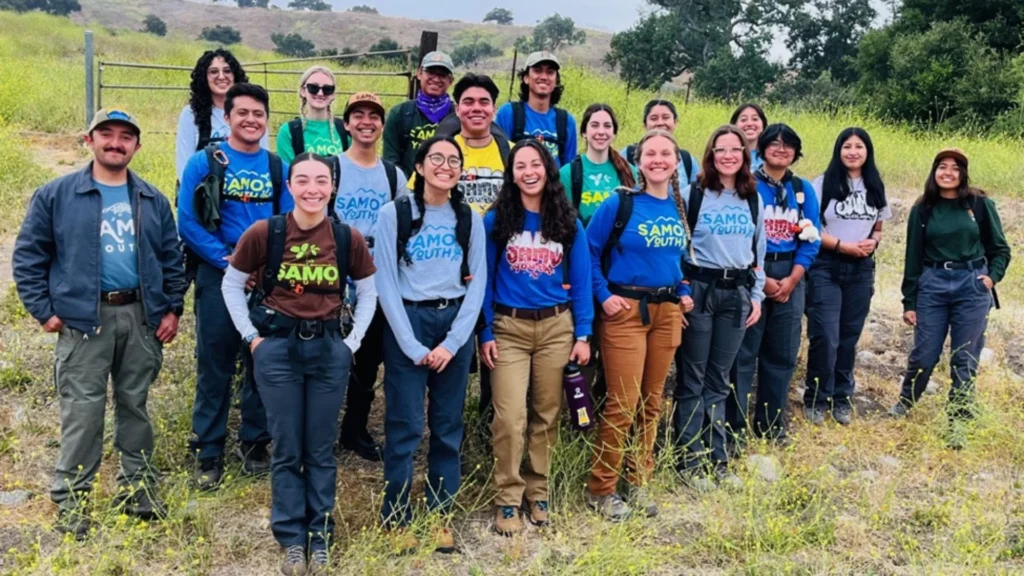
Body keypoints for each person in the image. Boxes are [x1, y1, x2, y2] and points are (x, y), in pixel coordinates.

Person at [13, 110, 186, 539]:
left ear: (137, 147)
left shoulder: (151, 198)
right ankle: (73, 501)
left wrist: (171, 309)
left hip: (139, 317)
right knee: (83, 412)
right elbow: (29, 256)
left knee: (135, 407)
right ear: (88, 141)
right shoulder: (57, 195)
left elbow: (172, 258)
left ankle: (138, 492)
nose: (115, 143)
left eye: (125, 137)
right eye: (106, 134)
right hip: (83, 320)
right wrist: (44, 309)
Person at [222, 153, 377, 576]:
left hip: (329, 350)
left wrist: (352, 342)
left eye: (321, 180)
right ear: (289, 186)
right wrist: (251, 339)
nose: (312, 189)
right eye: (303, 180)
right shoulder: (266, 232)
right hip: (277, 350)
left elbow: (368, 292)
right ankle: (292, 538)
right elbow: (231, 284)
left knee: (321, 447)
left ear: (332, 187)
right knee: (288, 446)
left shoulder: (347, 238)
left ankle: (320, 534)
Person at [178, 83, 293, 491]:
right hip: (218, 274)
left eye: (258, 114)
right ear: (227, 117)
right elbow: (188, 222)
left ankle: (254, 443)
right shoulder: (205, 161)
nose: (250, 120)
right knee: (216, 364)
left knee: (261, 362)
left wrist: (267, 265)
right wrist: (227, 261)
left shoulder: (277, 167)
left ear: (266, 120)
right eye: (241, 112)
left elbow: (287, 222)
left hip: (265, 281)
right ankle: (208, 449)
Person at [374, 136, 486, 552]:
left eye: (454, 160)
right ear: (419, 167)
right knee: (404, 426)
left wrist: (455, 341)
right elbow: (384, 279)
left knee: (447, 426)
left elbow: (478, 282)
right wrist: (410, 343)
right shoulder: (394, 214)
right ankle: (396, 517)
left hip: (453, 321)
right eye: (436, 158)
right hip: (409, 319)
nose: (445, 165)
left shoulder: (468, 217)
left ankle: (441, 514)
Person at [479, 140, 593, 536]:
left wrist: (584, 332)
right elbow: (485, 281)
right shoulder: (496, 221)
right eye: (519, 165)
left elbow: (580, 281)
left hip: (556, 329)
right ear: (511, 174)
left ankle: (537, 490)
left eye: (536, 164)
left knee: (547, 413)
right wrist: (485, 331)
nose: (528, 171)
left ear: (548, 169)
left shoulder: (567, 221)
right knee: (510, 417)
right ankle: (508, 497)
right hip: (508, 328)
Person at [583, 130, 693, 521]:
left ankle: (637, 479)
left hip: (666, 314)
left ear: (676, 162)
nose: (658, 159)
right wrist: (602, 295)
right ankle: (602, 487)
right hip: (626, 312)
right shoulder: (621, 203)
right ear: (638, 161)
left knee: (652, 403)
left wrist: (682, 288)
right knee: (622, 403)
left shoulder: (679, 207)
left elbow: (677, 260)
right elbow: (589, 252)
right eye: (650, 153)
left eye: (666, 153)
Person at [892, 148, 1011, 449]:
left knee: (965, 356)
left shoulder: (979, 204)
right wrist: (910, 300)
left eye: (955, 168)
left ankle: (958, 419)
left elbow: (1000, 249)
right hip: (933, 283)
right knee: (924, 354)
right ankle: (906, 401)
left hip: (971, 284)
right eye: (942, 167)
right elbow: (913, 257)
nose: (948, 172)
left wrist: (990, 278)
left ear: (963, 173)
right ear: (934, 172)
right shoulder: (923, 208)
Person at [671, 125, 765, 490]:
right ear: (710, 154)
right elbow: (677, 247)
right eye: (720, 149)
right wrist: (681, 292)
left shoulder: (753, 197)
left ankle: (718, 459)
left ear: (745, 154)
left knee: (720, 379)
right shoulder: (693, 195)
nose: (728, 155)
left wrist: (756, 296)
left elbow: (760, 254)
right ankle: (689, 460)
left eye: (735, 149)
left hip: (736, 294)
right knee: (693, 376)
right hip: (701, 290)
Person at [727, 124, 821, 447]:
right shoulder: (748, 184)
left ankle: (771, 426)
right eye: (775, 144)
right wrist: (761, 280)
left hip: (790, 274)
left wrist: (794, 278)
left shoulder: (802, 188)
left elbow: (813, 238)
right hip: (753, 273)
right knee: (742, 354)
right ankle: (734, 428)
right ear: (762, 148)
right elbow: (740, 235)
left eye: (788, 146)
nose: (781, 150)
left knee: (782, 354)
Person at [332, 92, 408, 461]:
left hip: (377, 282)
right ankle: (319, 427)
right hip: (331, 282)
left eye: (374, 116)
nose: (366, 121)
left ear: (381, 125)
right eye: (358, 115)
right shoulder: (330, 169)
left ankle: (354, 429)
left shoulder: (394, 175)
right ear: (346, 124)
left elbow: (406, 232)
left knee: (367, 360)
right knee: (328, 357)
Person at [803, 128, 891, 426]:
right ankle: (815, 397)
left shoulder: (875, 185)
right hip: (826, 265)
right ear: (838, 150)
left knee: (848, 336)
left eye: (859, 146)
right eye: (847, 146)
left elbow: (878, 227)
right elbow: (812, 228)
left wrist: (873, 242)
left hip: (861, 268)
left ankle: (842, 397)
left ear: (868, 151)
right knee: (825, 335)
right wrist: (842, 246)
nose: (853, 152)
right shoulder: (822, 184)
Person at [176, 49, 268, 181]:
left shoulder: (253, 113)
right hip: (205, 192)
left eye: (227, 71)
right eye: (213, 72)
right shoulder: (190, 114)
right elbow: (184, 164)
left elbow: (262, 157)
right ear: (204, 77)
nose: (221, 76)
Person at [495, 51, 578, 167]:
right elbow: (498, 160)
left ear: (556, 81)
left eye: (550, 72)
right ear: (526, 78)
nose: (544, 77)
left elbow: (569, 169)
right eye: (537, 70)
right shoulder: (508, 114)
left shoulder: (566, 121)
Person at [559, 103, 636, 225]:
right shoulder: (567, 174)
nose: (601, 132)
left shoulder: (631, 172)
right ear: (584, 132)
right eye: (595, 125)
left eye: (607, 126)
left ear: (614, 133)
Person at [383, 51, 455, 176]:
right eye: (431, 72)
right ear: (419, 73)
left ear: (451, 80)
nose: (436, 79)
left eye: (442, 74)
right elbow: (391, 161)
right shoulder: (399, 114)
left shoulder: (459, 116)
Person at [276, 66, 349, 164]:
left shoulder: (346, 129)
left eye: (327, 89)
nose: (320, 93)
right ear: (303, 91)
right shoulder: (288, 132)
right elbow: (288, 172)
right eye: (313, 88)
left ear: (333, 95)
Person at [621, 99, 700, 184]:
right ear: (645, 124)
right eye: (654, 118)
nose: (660, 122)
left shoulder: (687, 159)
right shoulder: (628, 154)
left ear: (675, 122)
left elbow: (698, 192)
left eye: (665, 117)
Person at [730, 103, 768, 170]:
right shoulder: (726, 155)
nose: (749, 124)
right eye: (743, 120)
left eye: (755, 119)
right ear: (734, 125)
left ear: (763, 124)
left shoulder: (770, 155)